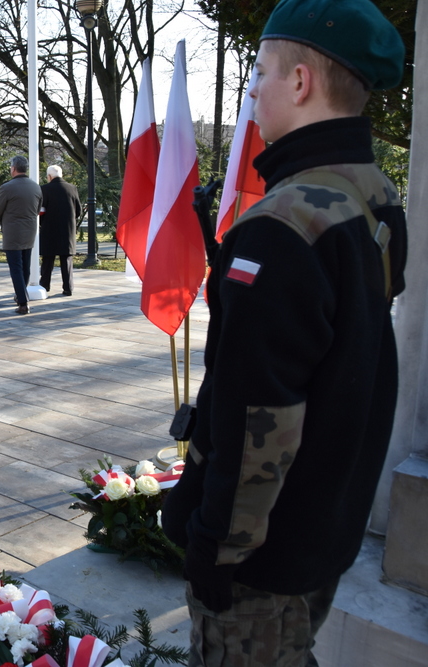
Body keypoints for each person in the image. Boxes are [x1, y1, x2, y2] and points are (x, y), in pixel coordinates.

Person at [161, 2, 408, 665]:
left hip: (264, 553)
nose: (251, 92)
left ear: (300, 82)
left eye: (259, 73)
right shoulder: (370, 193)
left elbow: (256, 417)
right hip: (324, 524)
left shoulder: (281, 226)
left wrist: (217, 547)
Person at [0, 156, 42, 315]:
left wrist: (3, 220)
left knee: (16, 268)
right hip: (30, 230)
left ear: (13, 168)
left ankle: (23, 302)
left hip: (13, 231)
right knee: (25, 266)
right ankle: (21, 295)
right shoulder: (36, 187)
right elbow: (37, 209)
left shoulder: (7, 187)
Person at [39, 165, 81, 296]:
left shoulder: (44, 189)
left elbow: (41, 211)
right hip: (67, 229)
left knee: (47, 260)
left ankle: (44, 285)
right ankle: (68, 288)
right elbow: (78, 211)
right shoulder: (72, 188)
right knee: (66, 259)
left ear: (49, 176)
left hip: (49, 229)